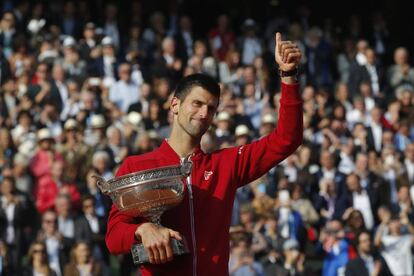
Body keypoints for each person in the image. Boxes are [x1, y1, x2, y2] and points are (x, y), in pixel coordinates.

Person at [105, 32, 303, 275]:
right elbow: (114, 237)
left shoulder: (227, 164)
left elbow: (286, 139)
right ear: (175, 104)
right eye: (197, 104)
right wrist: (143, 230)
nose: (203, 113)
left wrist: (288, 76)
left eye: (211, 109)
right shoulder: (137, 166)